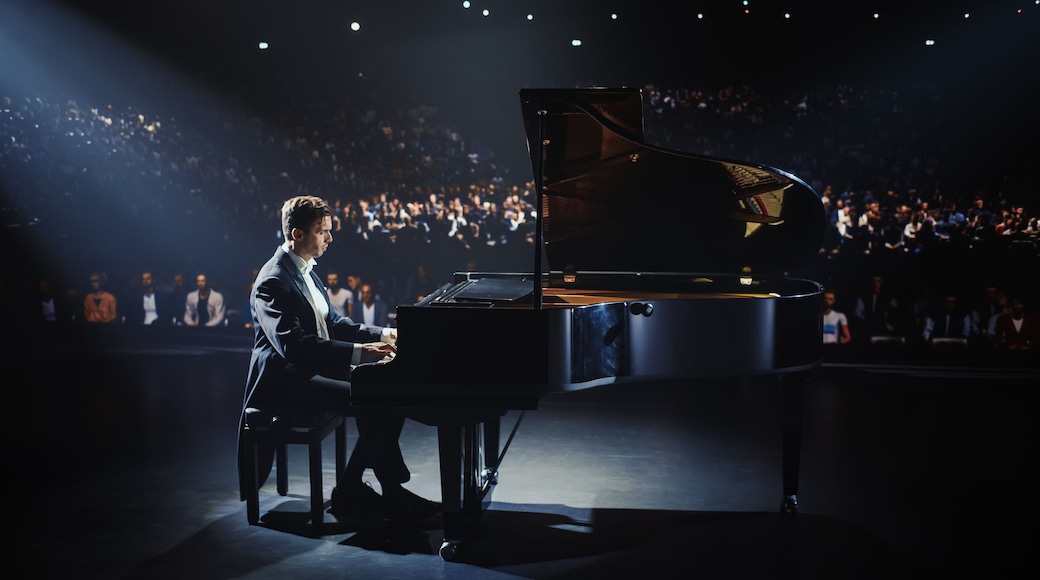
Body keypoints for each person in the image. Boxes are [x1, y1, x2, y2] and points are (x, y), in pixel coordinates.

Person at [239, 195, 438, 521]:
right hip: (285, 381)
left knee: (387, 392)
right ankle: (387, 494)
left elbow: (334, 324)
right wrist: (361, 352)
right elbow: (294, 347)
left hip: (311, 370)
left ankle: (356, 489)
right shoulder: (272, 280)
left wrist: (385, 334)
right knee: (373, 398)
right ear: (297, 234)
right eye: (322, 231)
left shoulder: (306, 269)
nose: (330, 238)